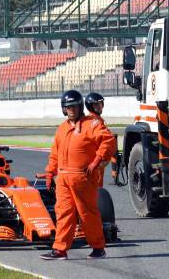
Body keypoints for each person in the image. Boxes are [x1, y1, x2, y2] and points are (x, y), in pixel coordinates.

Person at [40, 90, 117, 260]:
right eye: (68, 107)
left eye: (75, 106)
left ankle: (98, 248)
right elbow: (55, 154)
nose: (72, 110)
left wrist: (97, 161)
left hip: (84, 178)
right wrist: (49, 173)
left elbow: (108, 141)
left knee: (87, 214)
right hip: (63, 179)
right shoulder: (61, 129)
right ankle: (60, 250)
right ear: (64, 109)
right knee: (63, 213)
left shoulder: (92, 124)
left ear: (80, 106)